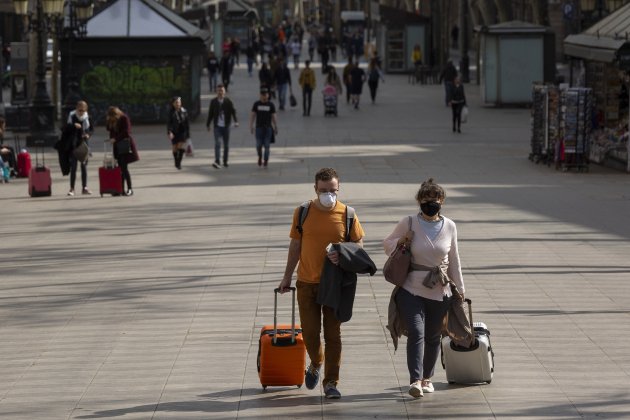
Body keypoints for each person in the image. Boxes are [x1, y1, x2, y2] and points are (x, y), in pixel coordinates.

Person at [278, 167, 366, 400]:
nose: (329, 194)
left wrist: (342, 253)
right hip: (306, 282)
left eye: (333, 190)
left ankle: (331, 383)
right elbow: (295, 246)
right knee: (309, 333)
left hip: (334, 285)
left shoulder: (348, 214)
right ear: (315, 189)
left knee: (333, 334)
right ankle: (316, 362)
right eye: (324, 190)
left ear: (339, 189)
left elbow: (359, 247)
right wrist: (287, 276)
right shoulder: (303, 212)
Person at [383, 178, 464, 399]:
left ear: (442, 201)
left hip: (440, 289)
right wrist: (402, 241)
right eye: (426, 200)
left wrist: (461, 290)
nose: (431, 204)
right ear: (419, 201)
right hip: (411, 288)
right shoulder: (408, 222)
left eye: (435, 200)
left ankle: (428, 378)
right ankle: (415, 380)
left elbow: (454, 259)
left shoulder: (449, 226)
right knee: (417, 333)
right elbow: (387, 244)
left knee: (433, 335)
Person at [107, 106, 139, 196]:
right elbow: (110, 130)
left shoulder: (124, 118)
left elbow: (127, 132)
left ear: (116, 114)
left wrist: (115, 139)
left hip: (125, 145)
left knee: (124, 168)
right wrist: (109, 121)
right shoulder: (112, 120)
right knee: (119, 168)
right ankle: (120, 189)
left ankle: (129, 189)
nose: (112, 118)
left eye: (112, 116)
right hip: (117, 146)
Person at [206, 84, 239, 169]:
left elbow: (233, 112)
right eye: (219, 91)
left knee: (226, 145)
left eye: (222, 91)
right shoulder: (213, 102)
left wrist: (236, 121)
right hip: (217, 126)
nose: (220, 92)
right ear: (216, 92)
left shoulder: (228, 101)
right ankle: (217, 161)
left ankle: (225, 161)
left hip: (226, 126)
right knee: (217, 143)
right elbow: (210, 114)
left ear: (224, 92)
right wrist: (208, 124)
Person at [66, 101, 94, 195]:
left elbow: (91, 129)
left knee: (84, 167)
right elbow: (66, 128)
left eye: (83, 110)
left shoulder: (88, 117)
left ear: (86, 109)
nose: (81, 112)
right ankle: (72, 188)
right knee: (73, 167)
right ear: (76, 108)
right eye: (79, 110)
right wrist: (73, 126)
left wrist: (88, 135)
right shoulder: (72, 116)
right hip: (74, 145)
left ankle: (84, 188)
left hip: (84, 144)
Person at [249, 87, 278, 167]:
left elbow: (274, 116)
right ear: (260, 95)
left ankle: (265, 160)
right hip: (258, 128)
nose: (264, 96)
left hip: (268, 128)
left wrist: (275, 126)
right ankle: (260, 156)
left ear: (268, 95)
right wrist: (251, 126)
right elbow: (252, 115)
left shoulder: (271, 105)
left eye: (265, 95)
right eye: (262, 95)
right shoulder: (256, 104)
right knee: (258, 145)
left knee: (267, 145)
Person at [167, 96, 190, 170]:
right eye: (176, 102)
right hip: (174, 131)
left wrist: (188, 134)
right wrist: (169, 132)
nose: (178, 104)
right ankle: (176, 160)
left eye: (179, 102)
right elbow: (169, 123)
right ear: (173, 104)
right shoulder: (171, 112)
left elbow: (187, 123)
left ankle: (178, 162)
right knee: (175, 148)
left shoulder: (184, 111)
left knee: (180, 146)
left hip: (182, 131)